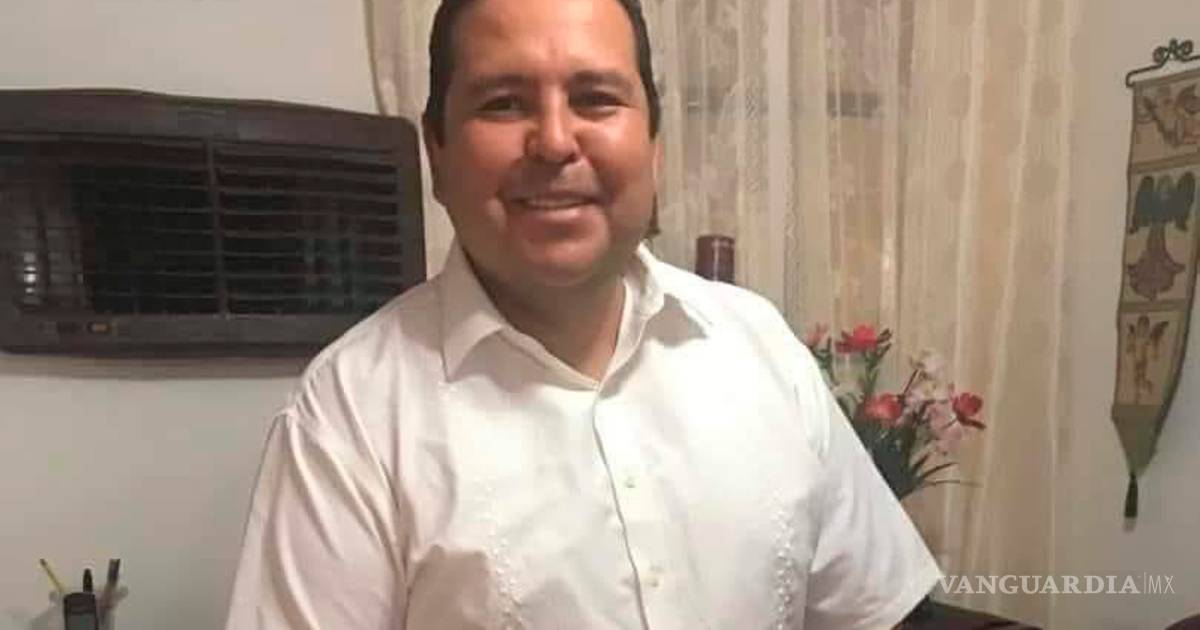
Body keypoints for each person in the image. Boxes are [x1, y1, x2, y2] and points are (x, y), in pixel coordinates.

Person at [224, 0, 940, 627]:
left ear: (655, 145)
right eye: (503, 103)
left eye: (596, 98)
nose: (556, 141)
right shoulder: (348, 417)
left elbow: (866, 612)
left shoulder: (760, 347)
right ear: (436, 153)